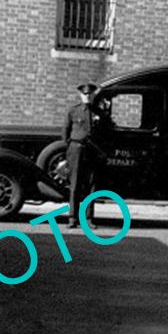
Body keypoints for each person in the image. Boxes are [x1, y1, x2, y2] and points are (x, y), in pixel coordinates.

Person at [62, 82, 111, 228]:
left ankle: (89, 218)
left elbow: (106, 132)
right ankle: (72, 218)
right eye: (85, 94)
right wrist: (69, 149)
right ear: (80, 95)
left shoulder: (100, 113)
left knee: (91, 185)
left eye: (90, 94)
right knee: (75, 184)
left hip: (92, 151)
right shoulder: (73, 111)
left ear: (93, 95)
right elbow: (65, 130)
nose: (87, 96)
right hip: (76, 149)